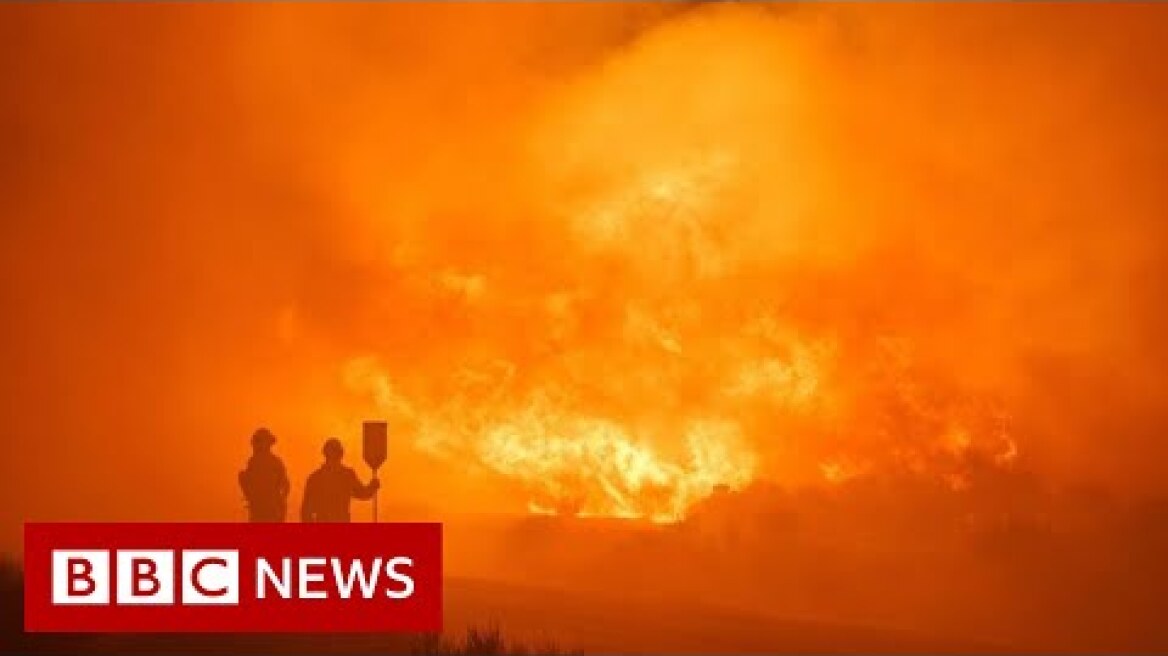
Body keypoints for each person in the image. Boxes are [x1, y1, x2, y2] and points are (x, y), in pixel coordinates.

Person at [300, 437, 380, 522]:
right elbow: (362, 493)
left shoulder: (315, 478)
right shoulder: (346, 476)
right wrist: (373, 486)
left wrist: (372, 487)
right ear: (341, 454)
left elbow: (306, 511)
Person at [238, 427, 290, 522]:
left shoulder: (273, 462)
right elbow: (286, 486)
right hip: (261, 510)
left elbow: (285, 486)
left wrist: (279, 504)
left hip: (269, 511)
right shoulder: (255, 462)